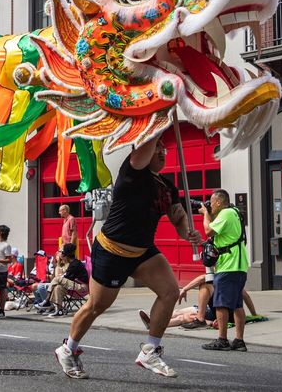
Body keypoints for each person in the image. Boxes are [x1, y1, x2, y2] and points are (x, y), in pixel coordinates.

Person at [55, 136, 201, 379]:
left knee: (170, 292)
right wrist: (158, 120)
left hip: (142, 252)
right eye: (158, 149)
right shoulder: (132, 171)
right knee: (96, 306)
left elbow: (178, 218)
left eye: (165, 150)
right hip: (112, 250)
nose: (163, 153)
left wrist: (189, 234)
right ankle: (67, 349)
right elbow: (142, 150)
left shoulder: (167, 186)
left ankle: (150, 350)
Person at [201, 190, 249, 352]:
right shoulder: (234, 212)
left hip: (228, 265)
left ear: (219, 202)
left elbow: (208, 231)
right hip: (239, 265)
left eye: (211, 202)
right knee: (236, 304)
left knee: (220, 304)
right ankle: (239, 341)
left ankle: (222, 340)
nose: (210, 205)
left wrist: (205, 215)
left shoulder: (226, 213)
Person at [44, 243, 88, 317]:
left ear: (66, 256)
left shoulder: (75, 264)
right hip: (74, 286)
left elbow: (66, 278)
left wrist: (60, 277)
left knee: (57, 279)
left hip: (82, 288)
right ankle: (59, 310)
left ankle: (47, 300)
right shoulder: (72, 263)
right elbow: (67, 279)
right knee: (58, 287)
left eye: (62, 255)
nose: (62, 257)